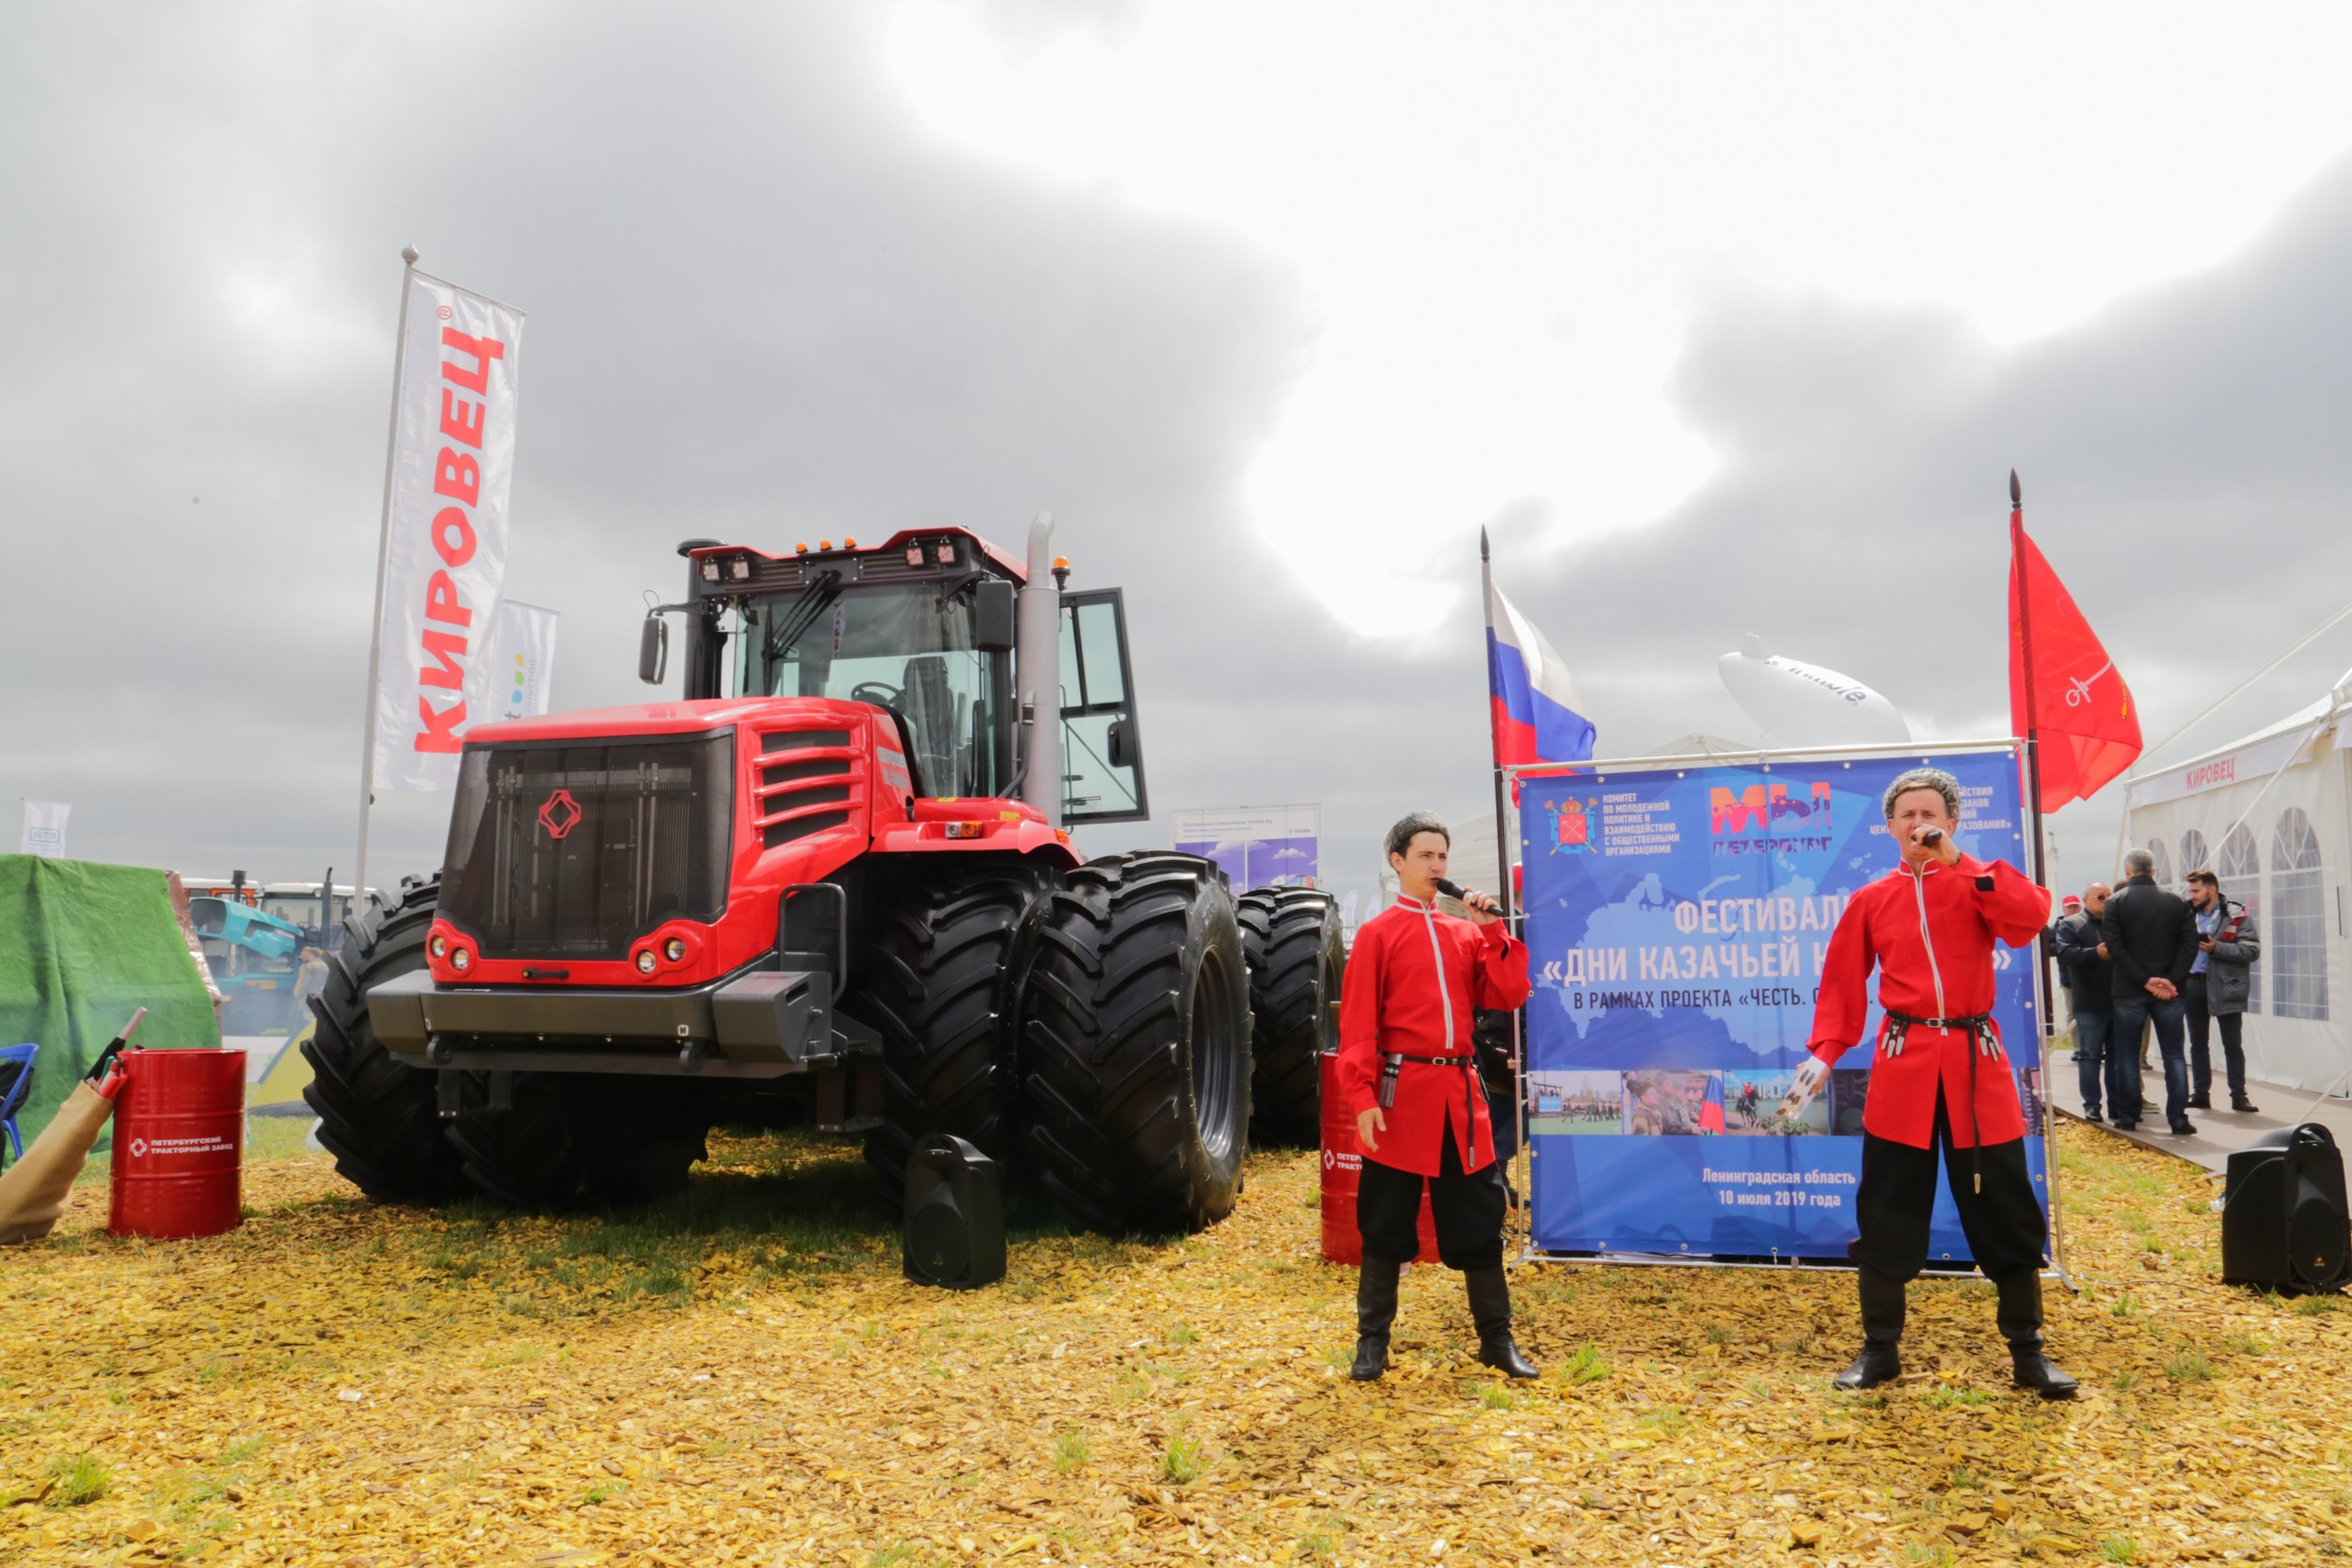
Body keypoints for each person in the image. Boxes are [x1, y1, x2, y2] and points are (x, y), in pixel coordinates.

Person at [1787, 768, 2075, 1399]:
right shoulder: (1871, 898)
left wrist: (1956, 858)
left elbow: (2027, 918)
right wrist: (1826, 1052)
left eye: (1931, 814)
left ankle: (2028, 1351)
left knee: (2003, 1204)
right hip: (1904, 1063)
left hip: (1978, 1063)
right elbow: (1841, 981)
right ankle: (1879, 1348)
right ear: (1888, 826)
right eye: (1908, 815)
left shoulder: (1977, 879)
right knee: (1888, 1206)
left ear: (1950, 821)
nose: (1920, 823)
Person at [1337, 812, 1535, 1383]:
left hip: (1459, 1097)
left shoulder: (1464, 933)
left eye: (1442, 856)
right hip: (1401, 1096)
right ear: (1396, 861)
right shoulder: (1377, 934)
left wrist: (1492, 928)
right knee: (1384, 1220)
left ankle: (1496, 1342)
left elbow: (1509, 992)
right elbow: (1357, 1027)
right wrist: (1364, 1097)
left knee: (1478, 1219)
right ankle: (1371, 1343)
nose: (1437, 866)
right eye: (1425, 855)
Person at [2102, 848, 2200, 1134]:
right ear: (2153, 871)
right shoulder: (2177, 903)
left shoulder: (2115, 903)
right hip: (2170, 992)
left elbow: (2115, 948)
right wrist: (2170, 980)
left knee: (2128, 1056)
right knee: (2174, 1056)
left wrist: (2145, 980)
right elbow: (2190, 945)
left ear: (2127, 871)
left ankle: (2129, 1115)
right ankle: (2179, 1119)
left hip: (2129, 990)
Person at [2183, 870, 2262, 1114]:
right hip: (2194, 984)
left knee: (2232, 1044)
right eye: (2190, 890)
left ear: (2212, 889)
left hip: (2226, 985)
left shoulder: (2235, 914)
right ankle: (2200, 1093)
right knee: (2197, 1043)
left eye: (2196, 890)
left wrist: (2218, 948)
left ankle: (2239, 1096)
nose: (2191, 895)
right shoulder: (2186, 914)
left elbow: (2251, 950)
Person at [2053, 884, 2118, 1123]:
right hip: (2089, 1001)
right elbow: (2065, 953)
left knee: (2117, 1057)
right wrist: (2094, 953)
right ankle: (2091, 1105)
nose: (2105, 901)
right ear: (2086, 899)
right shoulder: (2072, 924)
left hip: (2118, 999)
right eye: (2100, 897)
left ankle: (2117, 1106)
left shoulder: (2117, 922)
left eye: (2109, 897)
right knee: (2089, 1056)